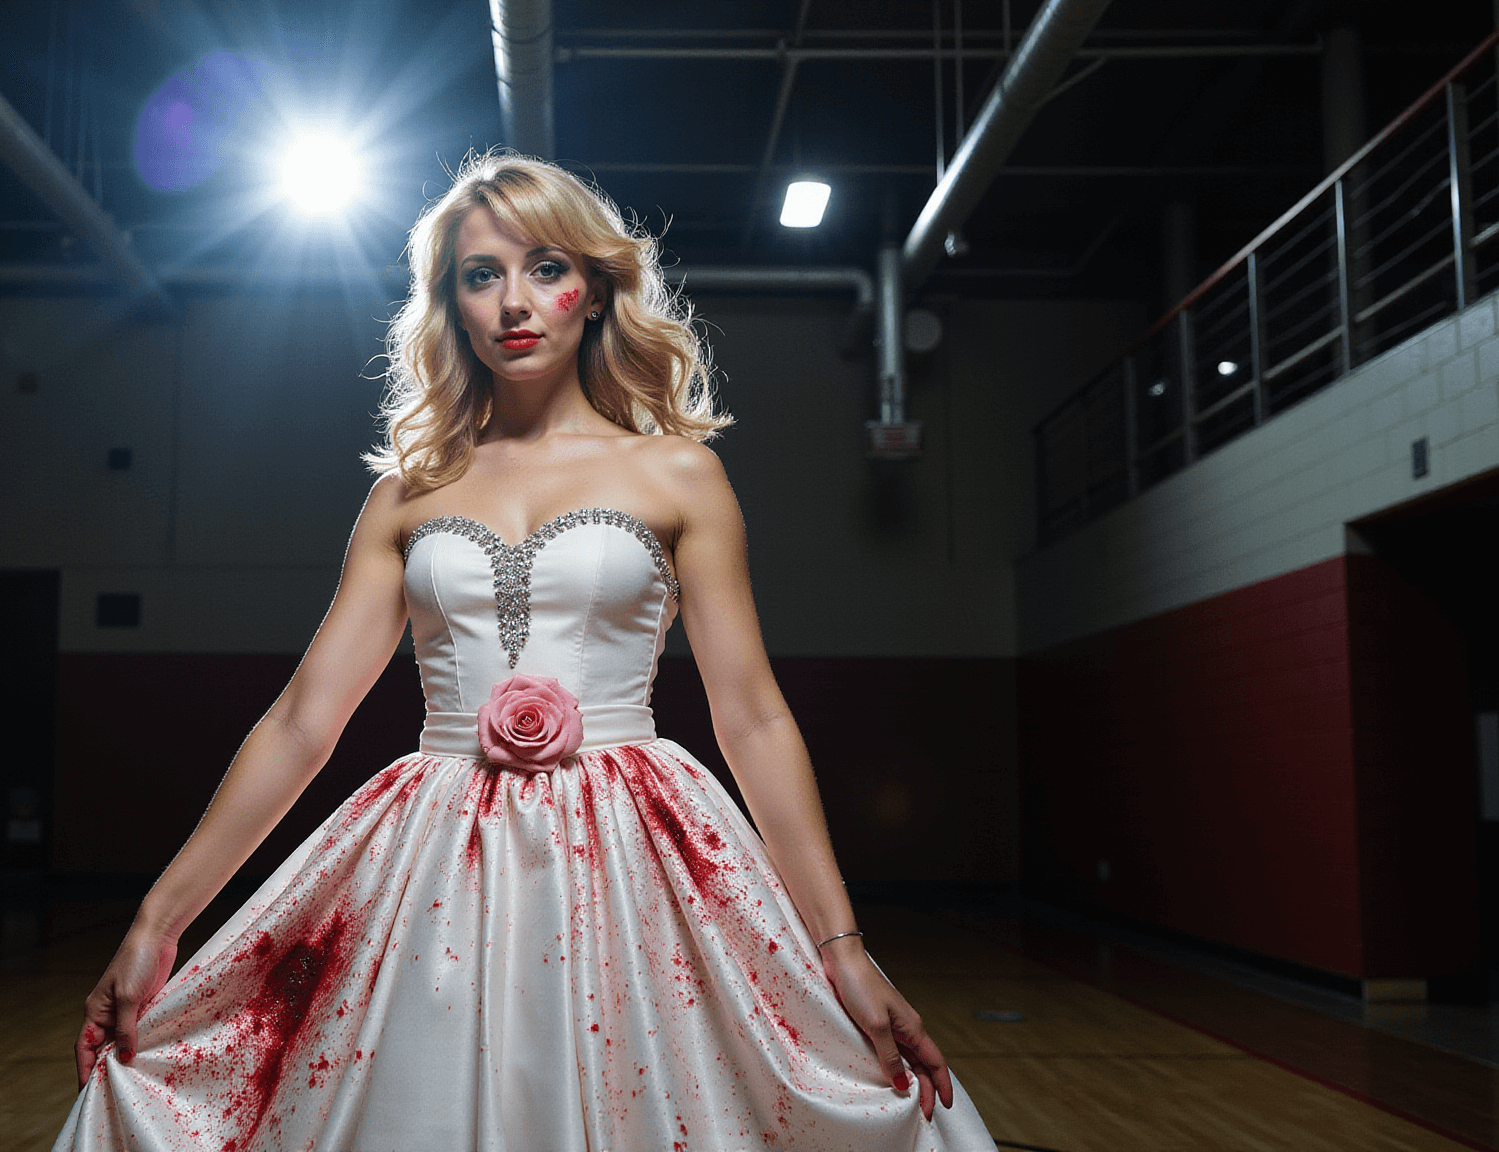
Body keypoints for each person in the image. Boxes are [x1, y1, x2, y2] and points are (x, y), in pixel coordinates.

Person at [53, 150, 996, 1151]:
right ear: (451, 306)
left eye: (546, 268)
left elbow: (753, 717)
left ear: (594, 289)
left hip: (637, 854)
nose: (513, 301)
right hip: (434, 857)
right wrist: (157, 922)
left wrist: (841, 947)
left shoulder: (679, 475)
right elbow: (300, 723)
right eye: (480, 275)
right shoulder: (404, 495)